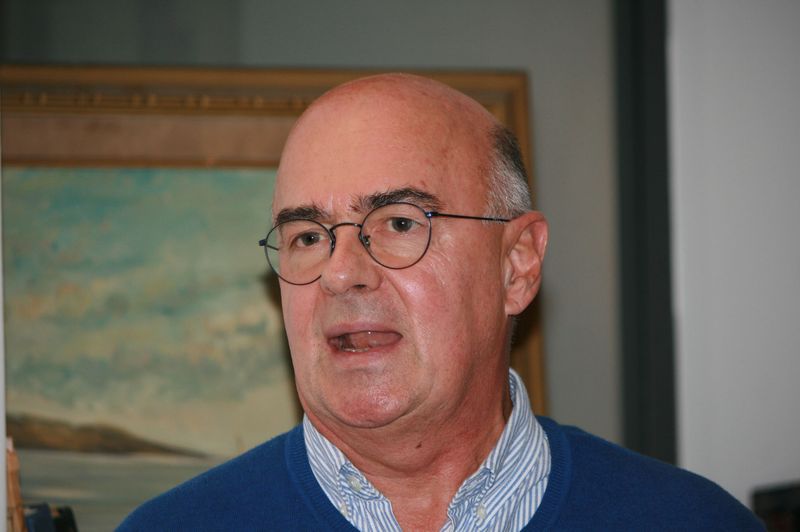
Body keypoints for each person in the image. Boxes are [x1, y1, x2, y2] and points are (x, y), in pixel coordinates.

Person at [119, 73, 762, 531]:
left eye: (400, 223)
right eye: (308, 236)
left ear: (516, 264)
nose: (340, 274)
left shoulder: (692, 522)